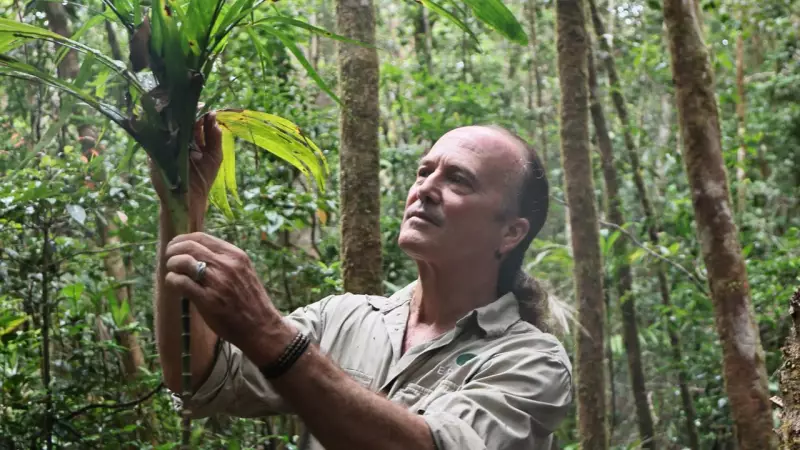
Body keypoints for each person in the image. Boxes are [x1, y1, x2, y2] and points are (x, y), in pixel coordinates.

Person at [152, 114, 573, 450]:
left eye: (458, 179)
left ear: (510, 233)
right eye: (424, 171)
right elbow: (199, 378)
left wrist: (267, 332)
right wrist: (182, 206)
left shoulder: (532, 362)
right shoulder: (343, 318)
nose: (425, 188)